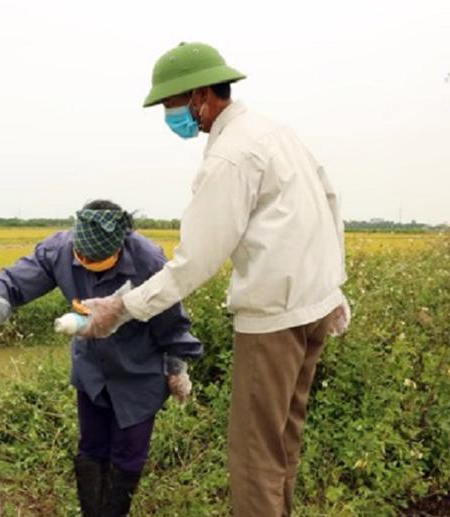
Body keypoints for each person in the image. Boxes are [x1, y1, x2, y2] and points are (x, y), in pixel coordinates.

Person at [81, 43, 350, 516]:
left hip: (273, 324)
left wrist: (121, 308)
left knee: (253, 459)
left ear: (201, 96)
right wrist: (334, 284)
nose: (171, 116)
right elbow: (329, 197)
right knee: (282, 445)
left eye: (172, 105)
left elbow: (194, 264)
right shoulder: (274, 131)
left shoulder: (229, 157)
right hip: (313, 310)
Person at [0, 200, 202, 517]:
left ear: (119, 248)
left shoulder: (147, 259)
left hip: (138, 372)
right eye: (83, 257)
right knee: (91, 448)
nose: (88, 262)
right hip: (93, 370)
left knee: (128, 453)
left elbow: (171, 317)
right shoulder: (60, 249)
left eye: (98, 259)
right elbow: (16, 281)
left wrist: (176, 366)